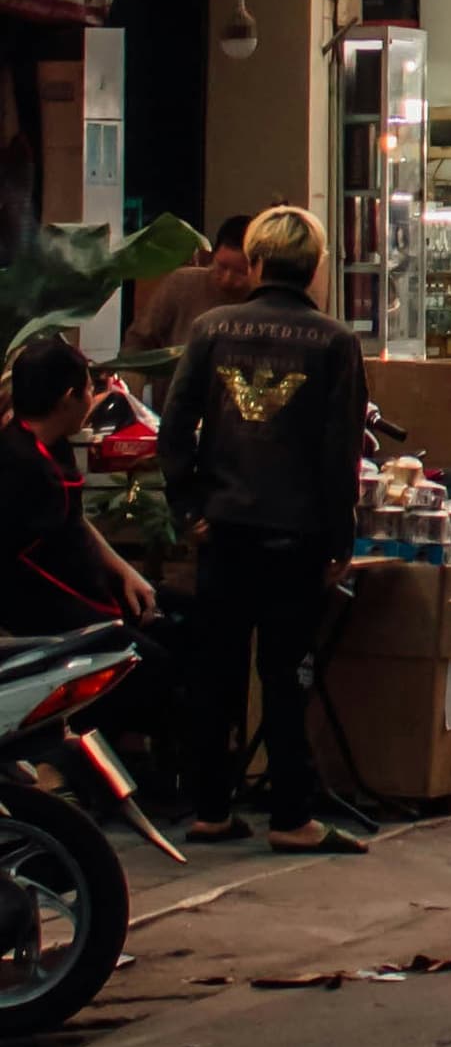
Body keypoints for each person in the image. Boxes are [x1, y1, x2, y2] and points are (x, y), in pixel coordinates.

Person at [154, 204, 372, 854]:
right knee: (285, 674)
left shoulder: (213, 327)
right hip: (296, 536)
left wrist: (189, 503)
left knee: (217, 670)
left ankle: (210, 808)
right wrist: (341, 535)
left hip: (221, 530)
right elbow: (340, 455)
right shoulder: (335, 342)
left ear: (255, 262)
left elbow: (173, 426)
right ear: (313, 268)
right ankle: (291, 816)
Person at [0, 330, 157, 651]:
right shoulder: (22, 468)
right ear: (69, 398)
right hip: (55, 618)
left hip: (88, 596)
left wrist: (125, 572)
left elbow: (76, 523)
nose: (95, 398)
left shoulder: (53, 445)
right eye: (90, 388)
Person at [128, 214, 253, 362]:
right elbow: (138, 341)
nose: (228, 279)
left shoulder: (264, 301)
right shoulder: (182, 283)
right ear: (213, 256)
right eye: (222, 267)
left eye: (240, 272)